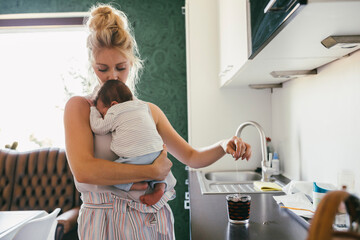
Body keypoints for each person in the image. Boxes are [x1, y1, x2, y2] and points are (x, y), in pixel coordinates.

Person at [64, 3, 252, 239]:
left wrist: (224, 145)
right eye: (103, 69)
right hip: (104, 223)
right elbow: (84, 171)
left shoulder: (149, 111)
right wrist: (151, 170)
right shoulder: (80, 107)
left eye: (120, 67)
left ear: (131, 64)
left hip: (152, 222)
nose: (112, 76)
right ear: (93, 67)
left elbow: (192, 157)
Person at [90, 79, 173, 206]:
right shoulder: (142, 106)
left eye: (103, 112)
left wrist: (93, 110)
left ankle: (135, 185)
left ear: (113, 104)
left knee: (111, 174)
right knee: (163, 172)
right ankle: (160, 187)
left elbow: (98, 128)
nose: (103, 115)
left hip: (135, 156)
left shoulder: (115, 111)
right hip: (157, 152)